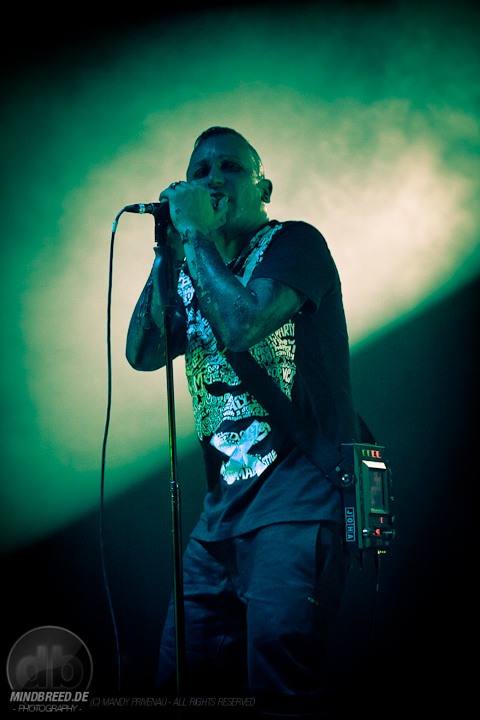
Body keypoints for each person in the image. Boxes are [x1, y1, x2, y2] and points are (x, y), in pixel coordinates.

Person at [126, 127, 359, 718]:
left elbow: (242, 325)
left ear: (265, 187)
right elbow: (142, 352)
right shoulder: (194, 264)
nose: (212, 179)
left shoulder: (295, 242)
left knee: (280, 683)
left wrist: (195, 236)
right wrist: (168, 251)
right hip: (220, 518)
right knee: (179, 678)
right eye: (199, 171)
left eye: (230, 167)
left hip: (297, 499)